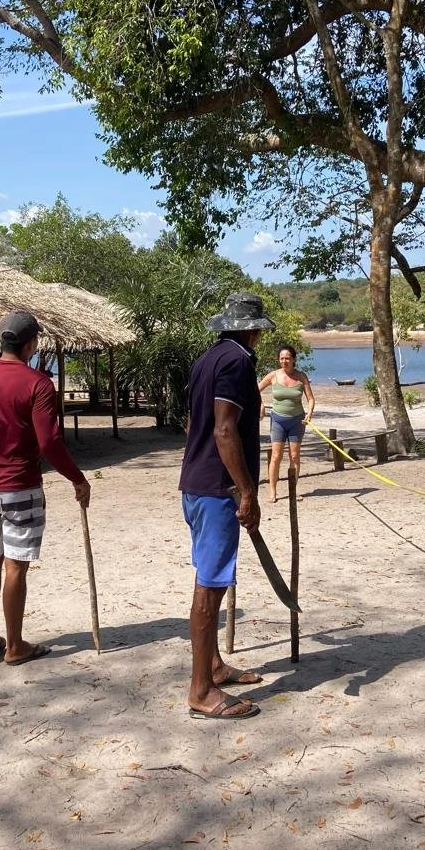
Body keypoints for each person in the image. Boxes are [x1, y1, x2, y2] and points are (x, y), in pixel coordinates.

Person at [0, 310, 91, 667]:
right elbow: (49, 442)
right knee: (16, 564)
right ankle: (15, 645)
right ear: (31, 343)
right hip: (20, 485)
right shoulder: (38, 383)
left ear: (1, 340)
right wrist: (77, 478)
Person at [179, 292, 274, 721]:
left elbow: (192, 424)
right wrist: (247, 491)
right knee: (211, 585)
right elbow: (222, 430)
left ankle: (213, 667)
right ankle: (201, 690)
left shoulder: (207, 360)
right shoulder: (237, 362)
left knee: (211, 579)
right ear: (253, 330)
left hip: (198, 485)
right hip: (217, 490)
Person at [258, 345, 315, 503]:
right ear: (279, 360)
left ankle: (293, 490)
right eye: (282, 358)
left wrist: (309, 414)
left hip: (297, 421)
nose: (285, 361)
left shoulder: (301, 377)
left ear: (294, 360)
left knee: (295, 456)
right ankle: (272, 491)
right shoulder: (273, 376)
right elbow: (255, 390)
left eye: (288, 358)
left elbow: (310, 399)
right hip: (278, 420)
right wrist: (260, 405)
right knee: (276, 456)